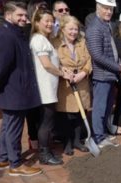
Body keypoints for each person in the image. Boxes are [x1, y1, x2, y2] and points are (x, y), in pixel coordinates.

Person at [0, 1, 42, 176]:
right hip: (14, 90)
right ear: (8, 15)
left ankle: (4, 159)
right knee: (13, 128)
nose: (24, 18)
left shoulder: (12, 31)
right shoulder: (6, 35)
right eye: (20, 15)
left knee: (7, 126)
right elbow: (1, 67)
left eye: (25, 15)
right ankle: (15, 164)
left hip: (15, 88)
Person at [30, 8, 72, 165]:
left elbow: (52, 61)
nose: (49, 24)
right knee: (47, 122)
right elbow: (46, 65)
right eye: (46, 21)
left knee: (47, 121)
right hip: (45, 87)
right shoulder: (39, 39)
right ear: (37, 22)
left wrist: (62, 68)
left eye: (51, 20)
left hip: (49, 86)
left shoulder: (44, 39)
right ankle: (44, 154)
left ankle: (46, 149)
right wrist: (63, 73)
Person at [86, 0, 121, 149]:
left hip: (110, 74)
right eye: (105, 8)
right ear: (98, 8)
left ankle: (102, 134)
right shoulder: (95, 28)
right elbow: (97, 55)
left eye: (111, 9)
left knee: (108, 107)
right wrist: (117, 66)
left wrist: (118, 64)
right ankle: (98, 137)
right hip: (102, 75)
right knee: (100, 108)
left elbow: (112, 49)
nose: (109, 12)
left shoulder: (106, 25)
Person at [52, 15, 91, 155]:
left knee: (80, 114)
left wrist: (83, 73)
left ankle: (77, 141)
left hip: (81, 84)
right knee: (67, 116)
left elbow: (89, 60)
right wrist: (63, 71)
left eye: (76, 29)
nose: (74, 32)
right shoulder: (55, 43)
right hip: (66, 86)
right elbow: (53, 62)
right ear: (62, 29)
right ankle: (67, 142)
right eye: (70, 29)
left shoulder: (82, 42)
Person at [25, 0, 49, 151]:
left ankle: (43, 138)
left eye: (45, 8)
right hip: (31, 75)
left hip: (44, 75)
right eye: (40, 8)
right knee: (32, 111)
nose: (43, 10)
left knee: (43, 110)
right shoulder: (27, 30)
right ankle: (33, 138)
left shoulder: (46, 29)